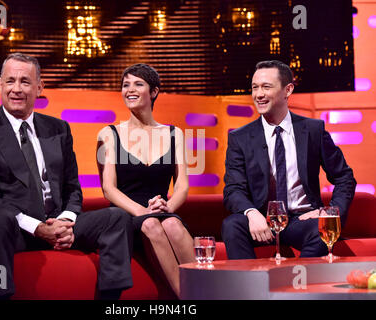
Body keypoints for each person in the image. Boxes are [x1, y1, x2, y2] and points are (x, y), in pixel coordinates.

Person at [0, 53, 134, 300]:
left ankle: (111, 300)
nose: (16, 89)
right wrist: (37, 228)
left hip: (55, 224)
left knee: (116, 218)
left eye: (25, 82)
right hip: (11, 229)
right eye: (10, 81)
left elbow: (73, 188)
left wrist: (65, 222)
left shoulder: (58, 128)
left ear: (40, 87)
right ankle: (0, 294)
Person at [222, 60, 356, 259]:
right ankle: (249, 288)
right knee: (232, 225)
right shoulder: (240, 138)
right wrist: (251, 212)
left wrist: (329, 212)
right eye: (255, 88)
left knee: (321, 230)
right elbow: (233, 189)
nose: (258, 94)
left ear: (288, 90)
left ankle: (295, 284)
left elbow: (344, 177)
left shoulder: (313, 130)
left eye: (266, 87)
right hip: (262, 220)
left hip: (301, 220)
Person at [96, 63, 195, 298]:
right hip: (127, 217)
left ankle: (207, 290)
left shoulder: (174, 134)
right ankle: (189, 297)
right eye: (125, 85)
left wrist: (167, 207)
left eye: (138, 84)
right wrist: (142, 212)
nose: (130, 89)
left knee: (171, 223)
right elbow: (108, 189)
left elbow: (181, 185)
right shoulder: (108, 134)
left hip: (162, 211)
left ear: (153, 92)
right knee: (151, 224)